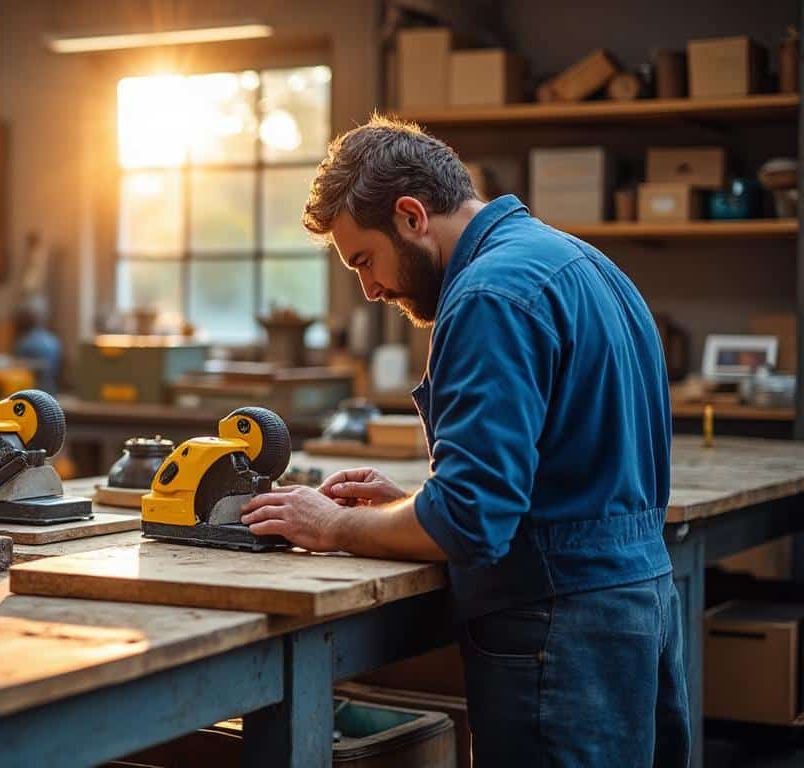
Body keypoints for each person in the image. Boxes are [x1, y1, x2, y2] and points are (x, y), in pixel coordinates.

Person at [241, 116, 688, 766]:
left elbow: (470, 520)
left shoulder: (488, 295)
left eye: (364, 260)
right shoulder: (583, 264)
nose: (370, 289)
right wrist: (409, 508)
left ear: (411, 216)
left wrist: (334, 525)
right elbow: (545, 484)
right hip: (640, 613)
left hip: (560, 630)